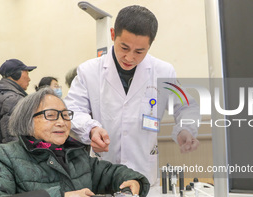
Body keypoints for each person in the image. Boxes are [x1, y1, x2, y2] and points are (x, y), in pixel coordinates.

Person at [0, 88, 150, 197]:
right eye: (51, 115)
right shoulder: (3, 157)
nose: (62, 122)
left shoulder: (75, 154)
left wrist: (134, 181)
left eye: (65, 115)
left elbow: (110, 173)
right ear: (27, 121)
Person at [64, 5, 200, 185]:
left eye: (139, 51)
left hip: (143, 171)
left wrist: (185, 129)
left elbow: (185, 106)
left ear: (150, 45)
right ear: (113, 35)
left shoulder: (163, 71)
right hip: (104, 171)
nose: (129, 57)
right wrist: (91, 129)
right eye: (124, 47)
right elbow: (72, 110)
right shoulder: (88, 71)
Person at [0, 58, 36, 167]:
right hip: (4, 166)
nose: (29, 79)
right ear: (16, 75)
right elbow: (13, 139)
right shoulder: (13, 99)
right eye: (26, 74)